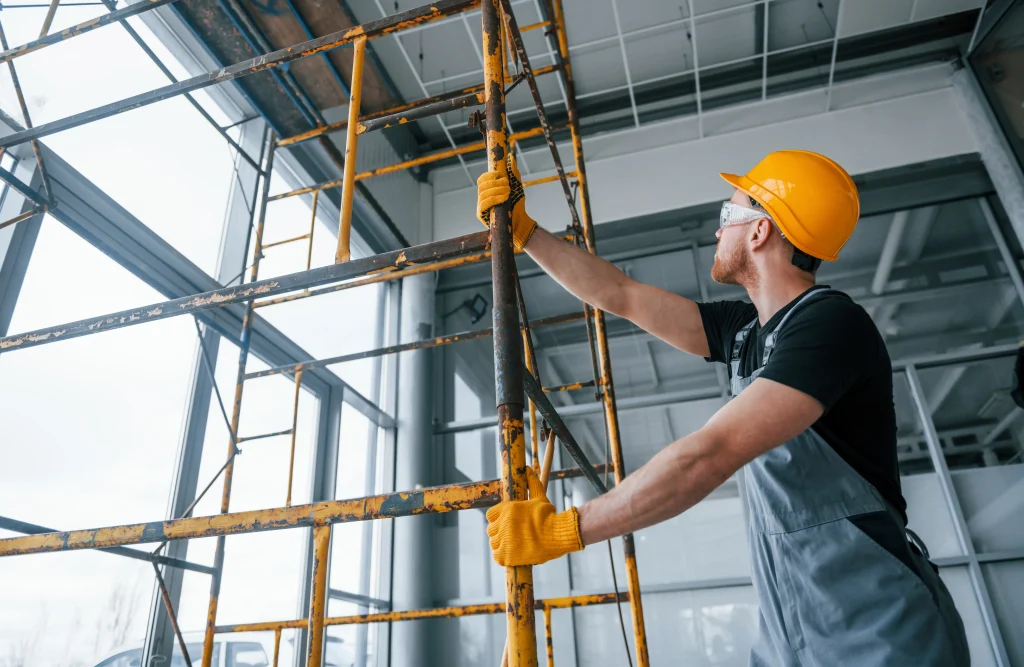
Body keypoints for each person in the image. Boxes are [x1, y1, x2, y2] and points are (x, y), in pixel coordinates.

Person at [477, 150, 971, 666]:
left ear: (759, 232)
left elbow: (710, 454)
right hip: (793, 631)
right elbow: (620, 294)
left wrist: (561, 530)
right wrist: (525, 231)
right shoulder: (745, 330)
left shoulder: (830, 326)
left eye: (726, 217)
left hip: (879, 632)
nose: (717, 233)